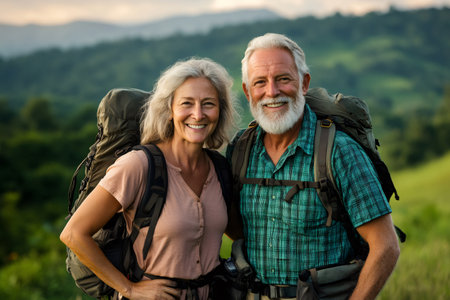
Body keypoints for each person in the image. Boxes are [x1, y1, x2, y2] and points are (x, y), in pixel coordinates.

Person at [226, 33, 400, 300]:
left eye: (283, 79)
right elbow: (235, 226)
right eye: (260, 82)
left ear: (304, 83)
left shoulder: (338, 151)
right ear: (248, 91)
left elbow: (385, 246)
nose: (272, 92)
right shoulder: (241, 149)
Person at [60, 58, 238, 300]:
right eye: (187, 103)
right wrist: (129, 289)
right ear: (169, 111)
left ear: (220, 111)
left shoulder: (220, 169)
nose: (198, 114)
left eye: (208, 104)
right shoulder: (139, 166)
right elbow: (73, 234)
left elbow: (233, 230)